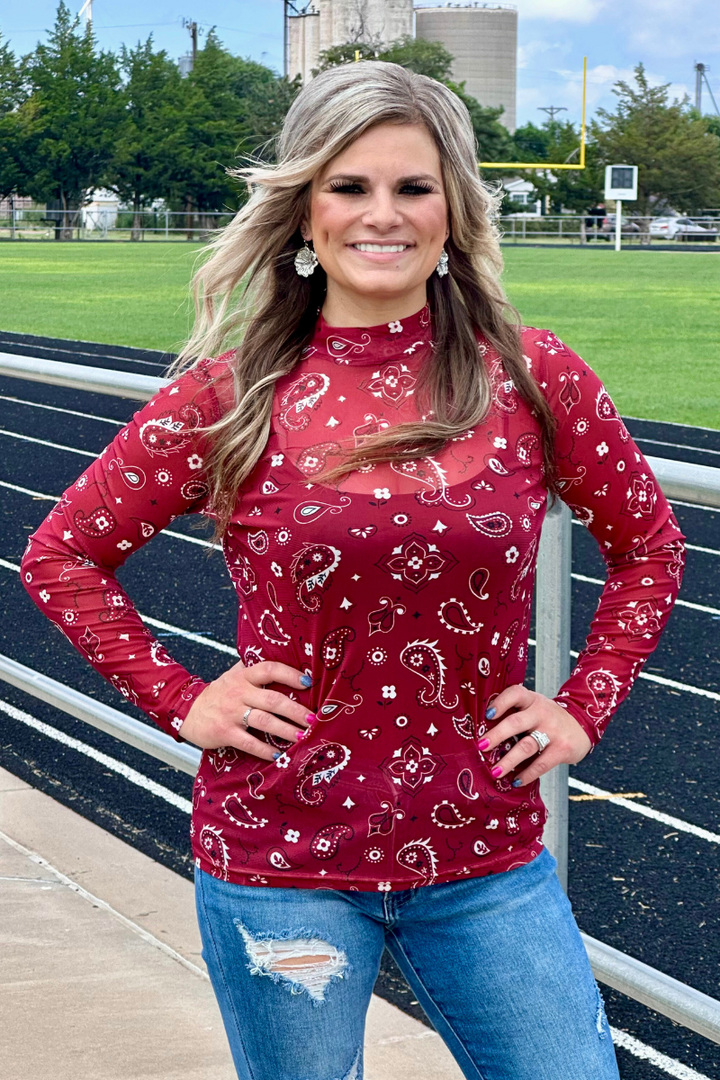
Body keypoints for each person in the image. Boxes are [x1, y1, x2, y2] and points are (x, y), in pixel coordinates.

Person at [22, 61, 685, 1080]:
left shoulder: (530, 376)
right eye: (350, 186)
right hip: (280, 862)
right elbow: (62, 553)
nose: (384, 215)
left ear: (455, 209)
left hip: (486, 858)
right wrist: (181, 700)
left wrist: (582, 706)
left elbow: (649, 545)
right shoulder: (231, 393)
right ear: (304, 210)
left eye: (413, 187)